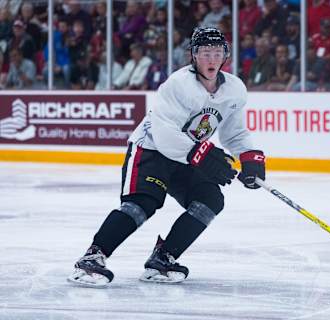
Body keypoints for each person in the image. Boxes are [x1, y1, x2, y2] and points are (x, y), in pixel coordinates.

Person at [67, 27, 266, 287]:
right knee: (142, 204)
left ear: (225, 55)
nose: (212, 59)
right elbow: (163, 133)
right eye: (205, 52)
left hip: (186, 156)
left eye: (217, 52)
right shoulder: (178, 84)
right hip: (151, 149)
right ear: (194, 55)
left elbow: (235, 132)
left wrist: (249, 157)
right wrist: (201, 154)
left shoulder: (234, 89)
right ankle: (92, 257)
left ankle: (164, 258)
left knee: (209, 200)